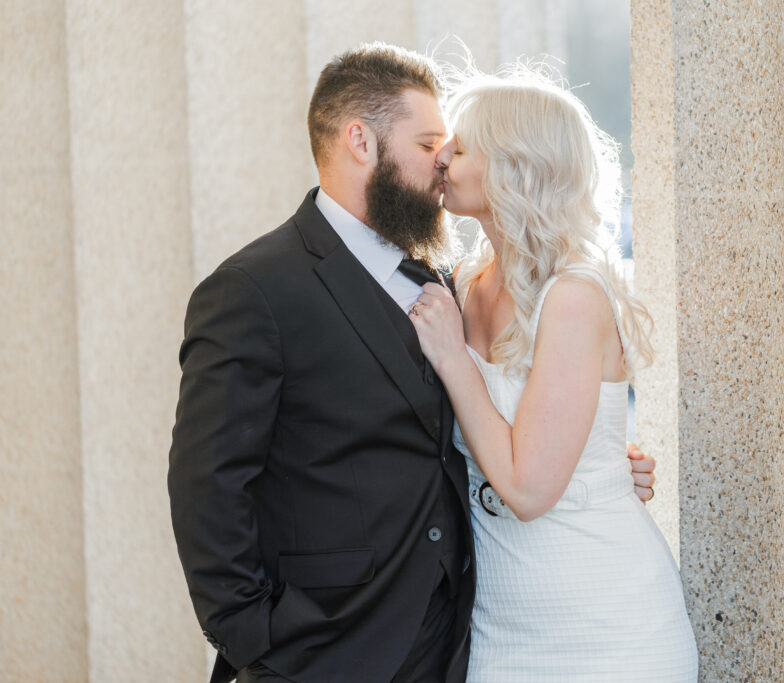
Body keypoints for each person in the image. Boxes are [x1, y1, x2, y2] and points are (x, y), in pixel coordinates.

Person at [167, 43, 656, 683]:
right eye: (429, 144)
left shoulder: (442, 282)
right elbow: (208, 483)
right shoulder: (255, 290)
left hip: (471, 638)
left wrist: (598, 461)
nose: (443, 161)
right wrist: (253, 636)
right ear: (361, 142)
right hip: (325, 649)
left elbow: (494, 431)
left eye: (452, 146)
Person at [408, 68, 698, 681]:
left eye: (460, 148)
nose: (441, 158)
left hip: (607, 625)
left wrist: (455, 360)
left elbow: (531, 489)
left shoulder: (572, 297)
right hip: (497, 624)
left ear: (514, 165)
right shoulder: (461, 284)